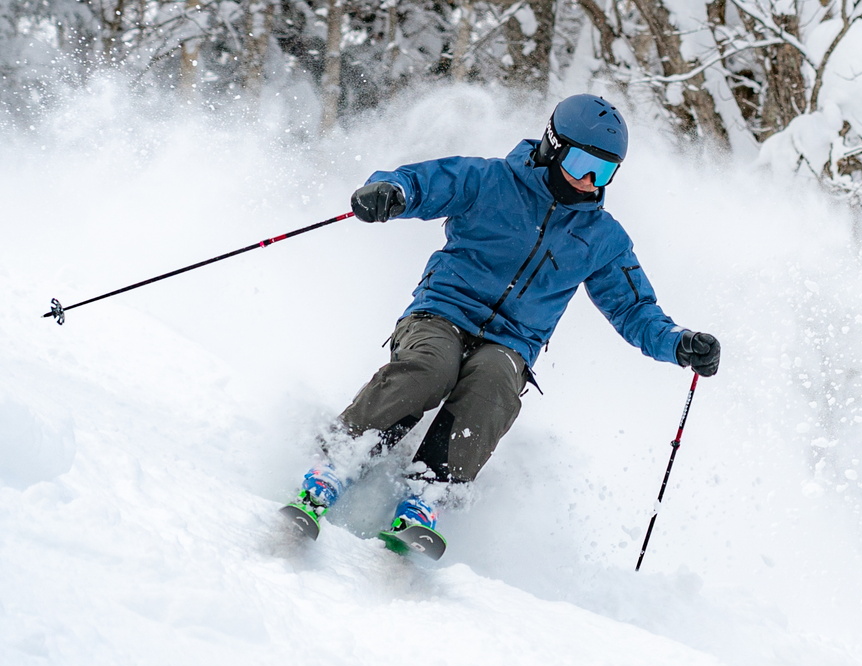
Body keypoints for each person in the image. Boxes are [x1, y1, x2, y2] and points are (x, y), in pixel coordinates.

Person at [283, 94, 721, 550]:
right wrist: (391, 192)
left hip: (511, 344)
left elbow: (634, 309)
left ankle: (426, 497)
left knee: (494, 384)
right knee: (433, 367)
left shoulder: (602, 238)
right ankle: (336, 462)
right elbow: (422, 183)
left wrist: (678, 342)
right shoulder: (489, 180)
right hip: (441, 312)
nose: (590, 181)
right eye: (583, 162)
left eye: (605, 171)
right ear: (553, 146)